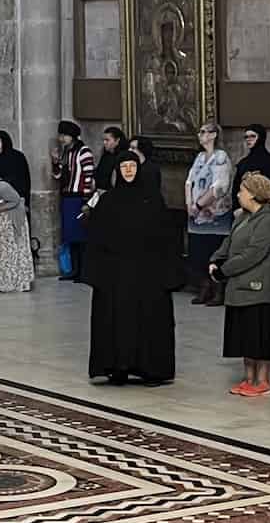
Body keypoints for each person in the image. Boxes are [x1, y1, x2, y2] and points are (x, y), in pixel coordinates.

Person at [86, 148, 178, 386]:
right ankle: (118, 367)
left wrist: (166, 271)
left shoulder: (153, 199)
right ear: (118, 170)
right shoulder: (108, 201)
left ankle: (150, 369)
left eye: (133, 166)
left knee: (147, 320)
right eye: (124, 166)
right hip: (116, 274)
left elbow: (166, 238)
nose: (128, 170)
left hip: (147, 273)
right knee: (117, 320)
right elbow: (97, 236)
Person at [210, 171, 270, 396]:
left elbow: (253, 254)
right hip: (239, 287)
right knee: (244, 335)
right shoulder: (243, 216)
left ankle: (262, 381)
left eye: (242, 191)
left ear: (254, 194)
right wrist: (216, 259)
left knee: (259, 336)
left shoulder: (269, 220)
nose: (238, 194)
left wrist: (223, 271)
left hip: (258, 288)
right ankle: (249, 379)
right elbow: (228, 242)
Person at [184, 123, 235, 304]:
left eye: (204, 132)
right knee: (198, 254)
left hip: (214, 217)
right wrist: (190, 204)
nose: (200, 135)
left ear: (213, 135)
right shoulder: (199, 157)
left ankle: (218, 290)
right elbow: (189, 181)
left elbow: (219, 186)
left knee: (214, 251)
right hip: (196, 217)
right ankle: (204, 286)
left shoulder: (220, 157)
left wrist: (199, 205)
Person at [52, 122, 96, 283]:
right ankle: (74, 270)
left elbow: (88, 176)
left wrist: (86, 200)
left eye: (64, 135)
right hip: (67, 197)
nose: (61, 138)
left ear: (73, 136)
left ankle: (84, 272)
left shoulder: (84, 152)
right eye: (61, 135)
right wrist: (56, 162)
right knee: (70, 236)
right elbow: (58, 176)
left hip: (79, 198)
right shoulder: (66, 153)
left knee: (81, 236)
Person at [232, 125, 270, 211]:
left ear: (261, 137)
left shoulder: (269, 161)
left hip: (262, 210)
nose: (248, 139)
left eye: (252, 136)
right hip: (242, 210)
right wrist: (236, 209)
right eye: (246, 137)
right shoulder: (243, 163)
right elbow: (235, 188)